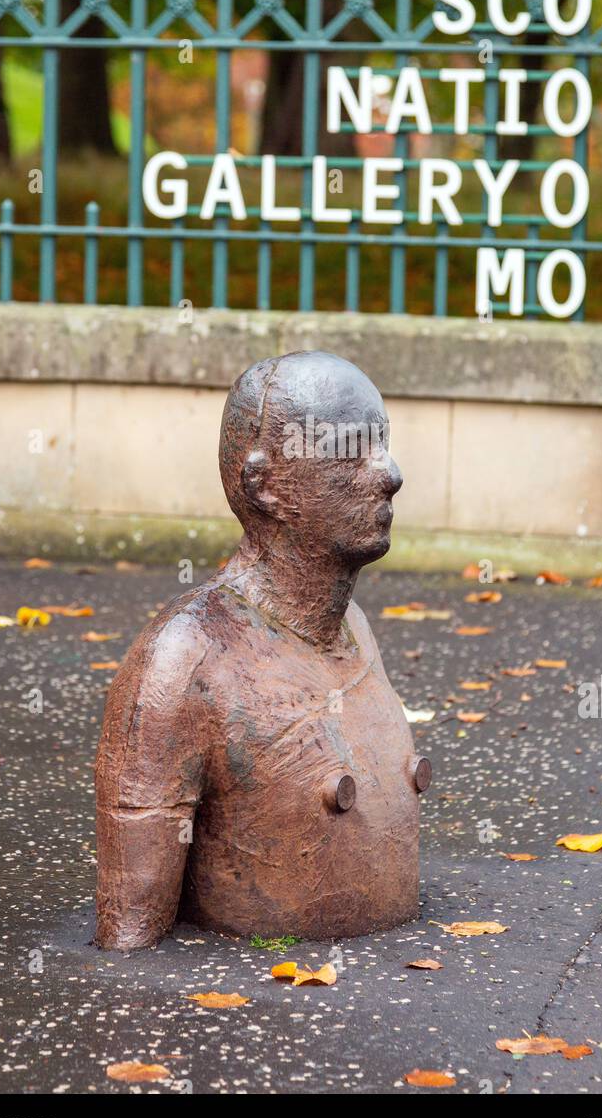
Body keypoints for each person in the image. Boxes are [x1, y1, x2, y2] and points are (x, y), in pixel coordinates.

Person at [95, 350, 431, 949]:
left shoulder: (354, 626)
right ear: (266, 485)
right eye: (350, 449)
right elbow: (130, 939)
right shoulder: (185, 659)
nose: (391, 473)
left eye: (382, 444)